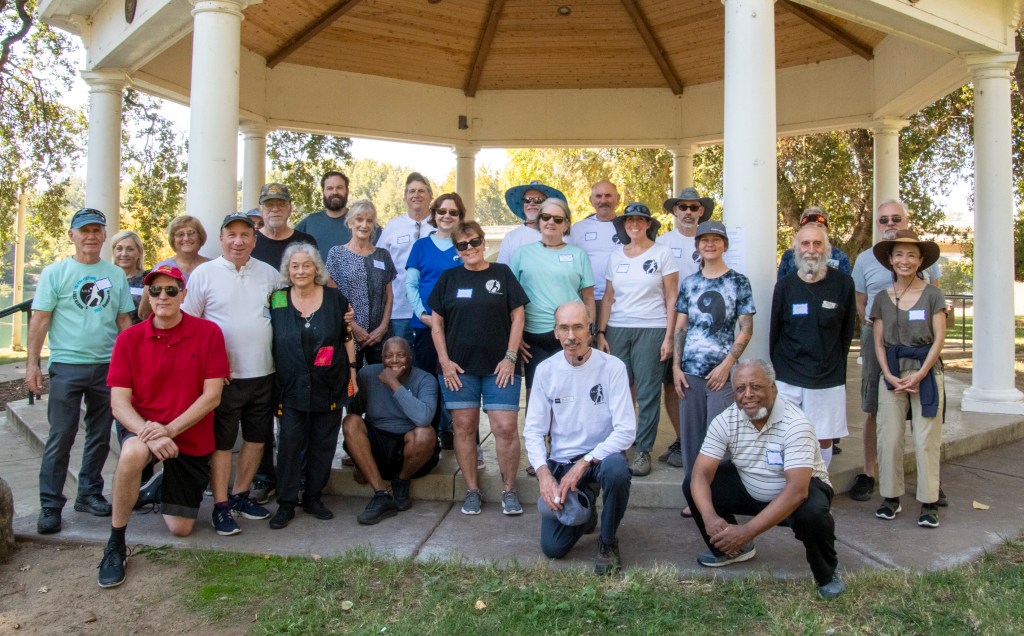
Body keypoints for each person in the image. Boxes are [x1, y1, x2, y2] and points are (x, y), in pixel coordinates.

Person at [97, 265, 229, 588]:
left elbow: (212, 397)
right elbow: (119, 404)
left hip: (189, 434)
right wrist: (151, 434)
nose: (163, 297)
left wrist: (168, 431)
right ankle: (116, 543)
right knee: (131, 454)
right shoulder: (129, 339)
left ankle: (156, 486)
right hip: (145, 430)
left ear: (183, 294)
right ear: (147, 296)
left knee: (181, 528)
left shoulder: (209, 333)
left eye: (171, 290)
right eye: (155, 291)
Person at [683, 360, 845, 600]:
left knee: (813, 513)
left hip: (796, 493)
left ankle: (827, 573)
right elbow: (701, 474)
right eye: (740, 389)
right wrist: (710, 517)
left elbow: (797, 490)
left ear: (773, 388)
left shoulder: (796, 423)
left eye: (756, 387)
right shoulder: (726, 420)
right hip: (750, 485)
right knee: (693, 484)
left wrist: (747, 530)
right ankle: (730, 549)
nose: (748, 395)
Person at [28, 208, 135, 535]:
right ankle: (50, 503)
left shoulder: (114, 275)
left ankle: (88, 493)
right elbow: (40, 319)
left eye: (96, 230)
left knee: (100, 434)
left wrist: (130, 367)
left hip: (107, 367)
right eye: (84, 230)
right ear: (72, 235)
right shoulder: (55, 273)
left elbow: (124, 322)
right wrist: (33, 363)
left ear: (104, 236)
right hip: (67, 365)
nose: (90, 236)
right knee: (61, 435)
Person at [182, 211, 280, 536]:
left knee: (256, 438)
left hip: (264, 373)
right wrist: (204, 369)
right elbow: (189, 326)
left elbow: (283, 316)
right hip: (224, 377)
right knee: (223, 444)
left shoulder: (270, 275)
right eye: (231, 234)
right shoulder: (204, 274)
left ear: (254, 239)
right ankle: (221, 506)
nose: (238, 241)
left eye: (245, 235)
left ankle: (240, 495)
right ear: (222, 238)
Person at [523, 301, 635, 575]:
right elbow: (534, 430)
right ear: (555, 332)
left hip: (600, 459)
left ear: (590, 330)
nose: (571, 336)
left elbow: (626, 430)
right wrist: (544, 474)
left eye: (577, 327)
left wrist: (584, 463)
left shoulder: (613, 367)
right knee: (553, 549)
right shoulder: (546, 370)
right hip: (562, 462)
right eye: (564, 328)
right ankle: (586, 510)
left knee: (617, 470)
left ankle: (608, 542)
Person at [429, 221, 529, 516]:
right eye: (462, 245)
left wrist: (510, 357)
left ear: (484, 242)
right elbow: (436, 324)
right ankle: (472, 490)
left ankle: (509, 490)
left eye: (473, 242)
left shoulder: (502, 274)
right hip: (459, 370)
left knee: (505, 428)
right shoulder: (449, 278)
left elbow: (519, 317)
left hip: (501, 367)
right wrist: (445, 362)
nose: (469, 249)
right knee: (463, 428)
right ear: (456, 250)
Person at [849, 199, 943, 501]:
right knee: (876, 405)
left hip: (921, 344)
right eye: (884, 220)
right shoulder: (865, 259)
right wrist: (877, 327)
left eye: (896, 219)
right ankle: (871, 472)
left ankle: (930, 482)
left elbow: (936, 296)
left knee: (923, 412)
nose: (890, 224)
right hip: (879, 338)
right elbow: (861, 300)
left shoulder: (923, 258)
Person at [267, 243, 357, 529]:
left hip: (328, 383)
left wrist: (353, 373)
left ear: (316, 268)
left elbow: (346, 337)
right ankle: (286, 502)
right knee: (290, 444)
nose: (301, 271)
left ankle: (314, 497)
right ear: (288, 270)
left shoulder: (335, 299)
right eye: (295, 266)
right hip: (290, 386)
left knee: (323, 443)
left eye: (306, 265)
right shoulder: (278, 300)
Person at [673, 220, 754, 518]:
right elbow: (680, 327)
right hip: (690, 372)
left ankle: (718, 496)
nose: (709, 244)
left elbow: (746, 329)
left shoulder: (738, 282)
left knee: (721, 437)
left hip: (722, 374)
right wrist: (675, 368)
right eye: (704, 240)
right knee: (692, 438)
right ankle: (693, 496)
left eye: (716, 240)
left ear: (725, 245)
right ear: (697, 246)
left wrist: (727, 365)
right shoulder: (689, 283)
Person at [870, 230, 946, 528]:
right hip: (891, 373)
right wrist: (888, 374)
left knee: (926, 438)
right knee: (889, 437)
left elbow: (939, 338)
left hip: (926, 373)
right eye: (899, 254)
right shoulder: (881, 298)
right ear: (890, 260)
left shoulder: (932, 295)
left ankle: (929, 502)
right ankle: (890, 498)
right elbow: (878, 342)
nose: (905, 260)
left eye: (911, 255)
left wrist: (922, 372)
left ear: (921, 260)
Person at [596, 203, 678, 477]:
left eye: (639, 220)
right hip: (618, 328)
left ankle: (643, 451)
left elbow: (671, 298)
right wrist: (602, 332)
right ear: (624, 225)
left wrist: (669, 337)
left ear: (647, 224)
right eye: (629, 220)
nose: (634, 224)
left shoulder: (662, 253)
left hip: (652, 328)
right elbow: (608, 297)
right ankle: (617, 446)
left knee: (647, 393)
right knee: (617, 392)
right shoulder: (615, 256)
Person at [769, 224, 857, 468]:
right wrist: (780, 371)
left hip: (826, 375)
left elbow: (846, 334)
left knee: (823, 438)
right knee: (782, 434)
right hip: (788, 373)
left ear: (827, 249)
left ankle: (818, 484)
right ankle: (783, 488)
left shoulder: (843, 284)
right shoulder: (785, 286)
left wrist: (835, 366)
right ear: (796, 249)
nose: (811, 250)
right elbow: (774, 333)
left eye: (817, 244)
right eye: (805, 244)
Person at [342, 337, 441, 525]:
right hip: (378, 443)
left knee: (426, 433)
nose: (394, 360)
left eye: (401, 355)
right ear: (381, 358)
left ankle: (401, 481)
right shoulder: (367, 375)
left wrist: (393, 383)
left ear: (410, 356)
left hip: (408, 450)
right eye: (388, 356)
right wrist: (358, 460)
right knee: (350, 422)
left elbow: (423, 419)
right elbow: (355, 413)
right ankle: (381, 495)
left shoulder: (425, 379)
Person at [509, 198, 596, 393]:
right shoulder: (521, 254)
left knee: (572, 395)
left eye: (558, 219)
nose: (551, 223)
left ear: (566, 224)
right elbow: (511, 300)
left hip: (572, 336)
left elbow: (589, 297)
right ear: (539, 221)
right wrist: (515, 335)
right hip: (534, 336)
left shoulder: (578, 255)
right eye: (546, 217)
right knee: (537, 395)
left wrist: (589, 332)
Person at [655, 187, 714, 468]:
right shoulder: (662, 243)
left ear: (701, 211)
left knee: (702, 385)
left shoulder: (711, 241)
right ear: (675, 211)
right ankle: (683, 439)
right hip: (672, 325)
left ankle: (704, 444)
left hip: (705, 327)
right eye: (683, 207)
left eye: (693, 207)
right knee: (672, 384)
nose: (688, 212)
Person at [405, 193, 465, 449]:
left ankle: (457, 433)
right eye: (442, 211)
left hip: (458, 328)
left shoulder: (464, 245)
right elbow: (411, 284)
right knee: (430, 381)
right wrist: (424, 315)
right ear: (434, 214)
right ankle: (432, 434)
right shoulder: (420, 246)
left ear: (460, 216)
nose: (447, 216)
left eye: (453, 212)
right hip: (426, 325)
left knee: (460, 382)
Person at [326, 200, 396, 366]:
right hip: (348, 333)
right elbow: (332, 297)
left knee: (379, 384)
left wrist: (383, 327)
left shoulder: (383, 255)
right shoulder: (336, 254)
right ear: (350, 222)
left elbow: (389, 296)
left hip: (379, 337)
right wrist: (354, 327)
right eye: (359, 219)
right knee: (351, 383)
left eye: (369, 220)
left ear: (374, 225)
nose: (364, 225)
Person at [378, 172, 434, 346]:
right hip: (400, 309)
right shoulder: (393, 226)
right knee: (400, 360)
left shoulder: (440, 223)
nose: (416, 195)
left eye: (421, 191)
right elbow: (379, 262)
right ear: (405, 197)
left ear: (430, 195)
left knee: (429, 361)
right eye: (411, 191)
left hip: (431, 308)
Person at [139, 215, 210, 320]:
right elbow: (144, 312)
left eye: (191, 233)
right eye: (180, 234)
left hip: (205, 332)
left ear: (200, 237)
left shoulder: (212, 267)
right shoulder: (162, 268)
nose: (186, 238)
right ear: (173, 239)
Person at [296, 171, 380, 257]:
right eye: (330, 188)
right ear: (323, 192)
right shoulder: (310, 222)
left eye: (339, 188)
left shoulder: (363, 223)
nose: (335, 192)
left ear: (347, 191)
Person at [569, 180, 621, 319]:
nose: (603, 200)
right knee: (588, 340)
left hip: (621, 300)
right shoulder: (578, 228)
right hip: (586, 299)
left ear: (618, 198)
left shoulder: (629, 227)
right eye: (598, 196)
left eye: (608, 195)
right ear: (591, 200)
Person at [496, 180, 566, 265]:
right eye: (527, 200)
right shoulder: (510, 238)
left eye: (538, 200)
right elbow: (502, 271)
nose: (532, 203)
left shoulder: (562, 235)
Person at [251, 182, 318, 270]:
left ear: (290, 208)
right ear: (261, 209)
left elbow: (317, 279)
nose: (275, 209)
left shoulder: (306, 242)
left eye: (281, 204)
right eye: (269, 204)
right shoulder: (249, 242)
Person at [776, 208, 853, 280]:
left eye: (820, 226)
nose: (815, 229)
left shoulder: (840, 257)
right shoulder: (788, 256)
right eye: (810, 226)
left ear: (827, 230)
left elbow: (847, 289)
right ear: (801, 230)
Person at [110, 230, 148, 325]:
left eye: (130, 249)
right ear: (113, 252)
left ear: (139, 252)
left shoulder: (149, 280)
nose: (124, 254)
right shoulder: (104, 279)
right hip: (109, 337)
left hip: (139, 336)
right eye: (119, 249)